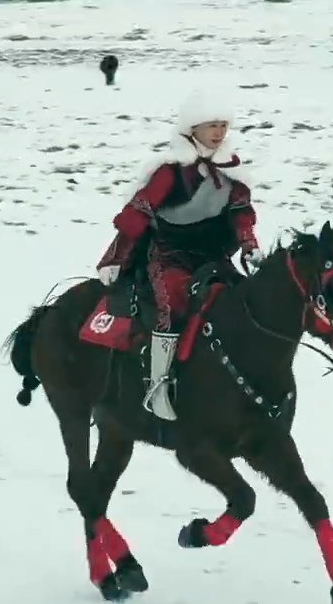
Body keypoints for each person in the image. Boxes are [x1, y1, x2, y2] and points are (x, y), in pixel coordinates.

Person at [95, 90, 262, 420]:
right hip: (169, 252)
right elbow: (137, 215)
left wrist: (249, 245)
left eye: (223, 125)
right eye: (211, 125)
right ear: (192, 129)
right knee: (173, 303)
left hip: (212, 254)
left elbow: (241, 213)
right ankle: (158, 386)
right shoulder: (169, 172)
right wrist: (116, 256)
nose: (218, 132)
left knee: (239, 301)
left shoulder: (231, 171)